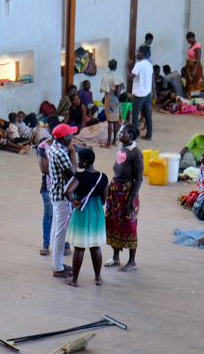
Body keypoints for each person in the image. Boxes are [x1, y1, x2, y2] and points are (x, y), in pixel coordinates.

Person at [61, 148, 109, 287]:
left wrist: (73, 201)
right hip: (96, 211)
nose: (77, 162)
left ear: (85, 162)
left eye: (79, 159)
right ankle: (98, 278)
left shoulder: (79, 177)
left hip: (81, 209)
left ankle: (74, 280)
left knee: (79, 248)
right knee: (95, 246)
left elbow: (67, 191)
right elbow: (104, 199)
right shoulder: (102, 177)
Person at [105, 123, 143, 271]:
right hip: (115, 189)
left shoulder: (136, 153)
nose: (119, 134)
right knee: (114, 222)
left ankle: (132, 261)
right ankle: (115, 256)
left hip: (127, 193)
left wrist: (132, 198)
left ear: (131, 136)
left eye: (122, 133)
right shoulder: (122, 147)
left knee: (129, 225)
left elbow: (139, 178)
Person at [47, 123, 78, 277]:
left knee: (56, 232)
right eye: (70, 135)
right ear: (65, 138)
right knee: (60, 234)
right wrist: (73, 152)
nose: (72, 138)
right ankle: (58, 268)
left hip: (56, 195)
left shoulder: (54, 148)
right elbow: (74, 173)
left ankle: (57, 263)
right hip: (62, 198)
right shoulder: (61, 153)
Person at [131, 45, 154, 139]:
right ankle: (149, 134)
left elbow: (130, 77)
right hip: (148, 92)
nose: (136, 54)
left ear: (142, 53)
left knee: (135, 114)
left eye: (138, 52)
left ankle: (134, 135)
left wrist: (127, 66)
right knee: (147, 114)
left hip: (139, 93)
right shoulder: (149, 64)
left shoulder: (139, 65)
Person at [99, 59, 124, 146]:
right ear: (116, 66)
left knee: (110, 121)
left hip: (108, 99)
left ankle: (109, 143)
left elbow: (102, 88)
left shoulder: (105, 76)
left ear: (108, 66)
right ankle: (114, 141)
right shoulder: (118, 77)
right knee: (115, 121)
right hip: (115, 100)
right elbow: (118, 93)